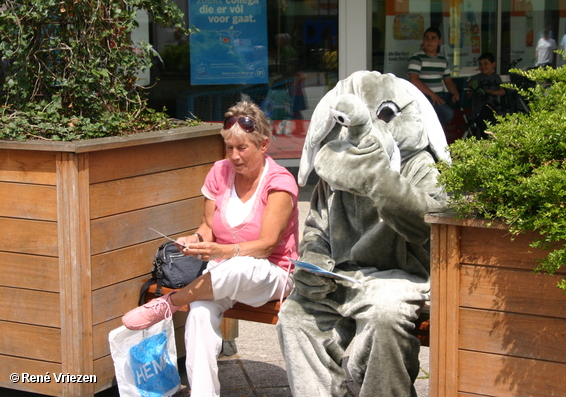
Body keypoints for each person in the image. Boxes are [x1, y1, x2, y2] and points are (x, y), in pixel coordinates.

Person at [277, 70, 450, 396]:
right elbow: (316, 227)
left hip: (399, 277)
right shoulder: (338, 167)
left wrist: (380, 180)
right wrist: (313, 259)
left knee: (384, 317)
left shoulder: (420, 166)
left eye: (385, 114)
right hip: (341, 278)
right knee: (295, 318)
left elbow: (430, 224)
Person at [121, 101, 299, 396]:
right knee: (200, 316)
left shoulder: (279, 183)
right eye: (229, 148)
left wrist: (221, 252)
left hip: (271, 274)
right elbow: (207, 228)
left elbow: (267, 246)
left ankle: (170, 303)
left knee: (240, 266)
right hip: (220, 275)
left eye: (242, 148)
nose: (234, 156)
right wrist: (194, 241)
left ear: (263, 144)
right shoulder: (219, 172)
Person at [408, 27, 461, 126]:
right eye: (427, 38)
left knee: (442, 118)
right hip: (421, 99)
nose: (429, 41)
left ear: (439, 41)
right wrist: (432, 95)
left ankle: (433, 133)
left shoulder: (443, 60)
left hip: (437, 99)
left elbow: (448, 81)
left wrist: (455, 93)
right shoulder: (417, 58)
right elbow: (414, 80)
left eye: (433, 38)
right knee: (448, 114)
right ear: (423, 40)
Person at [466, 52, 506, 138]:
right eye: (480, 64)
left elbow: (503, 91)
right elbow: (468, 96)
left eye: (486, 64)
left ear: (493, 64)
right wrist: (472, 89)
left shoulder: (496, 77)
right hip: (478, 110)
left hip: (493, 108)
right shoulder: (475, 78)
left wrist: (493, 93)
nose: (483, 67)